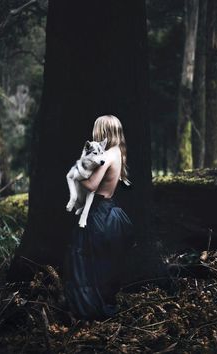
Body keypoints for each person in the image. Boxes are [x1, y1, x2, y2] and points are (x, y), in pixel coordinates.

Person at [63, 114, 135, 320]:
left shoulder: (108, 154)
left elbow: (92, 185)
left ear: (102, 131)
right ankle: (96, 308)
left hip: (97, 212)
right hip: (108, 209)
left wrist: (75, 172)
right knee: (97, 263)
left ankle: (88, 312)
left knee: (83, 262)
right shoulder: (118, 152)